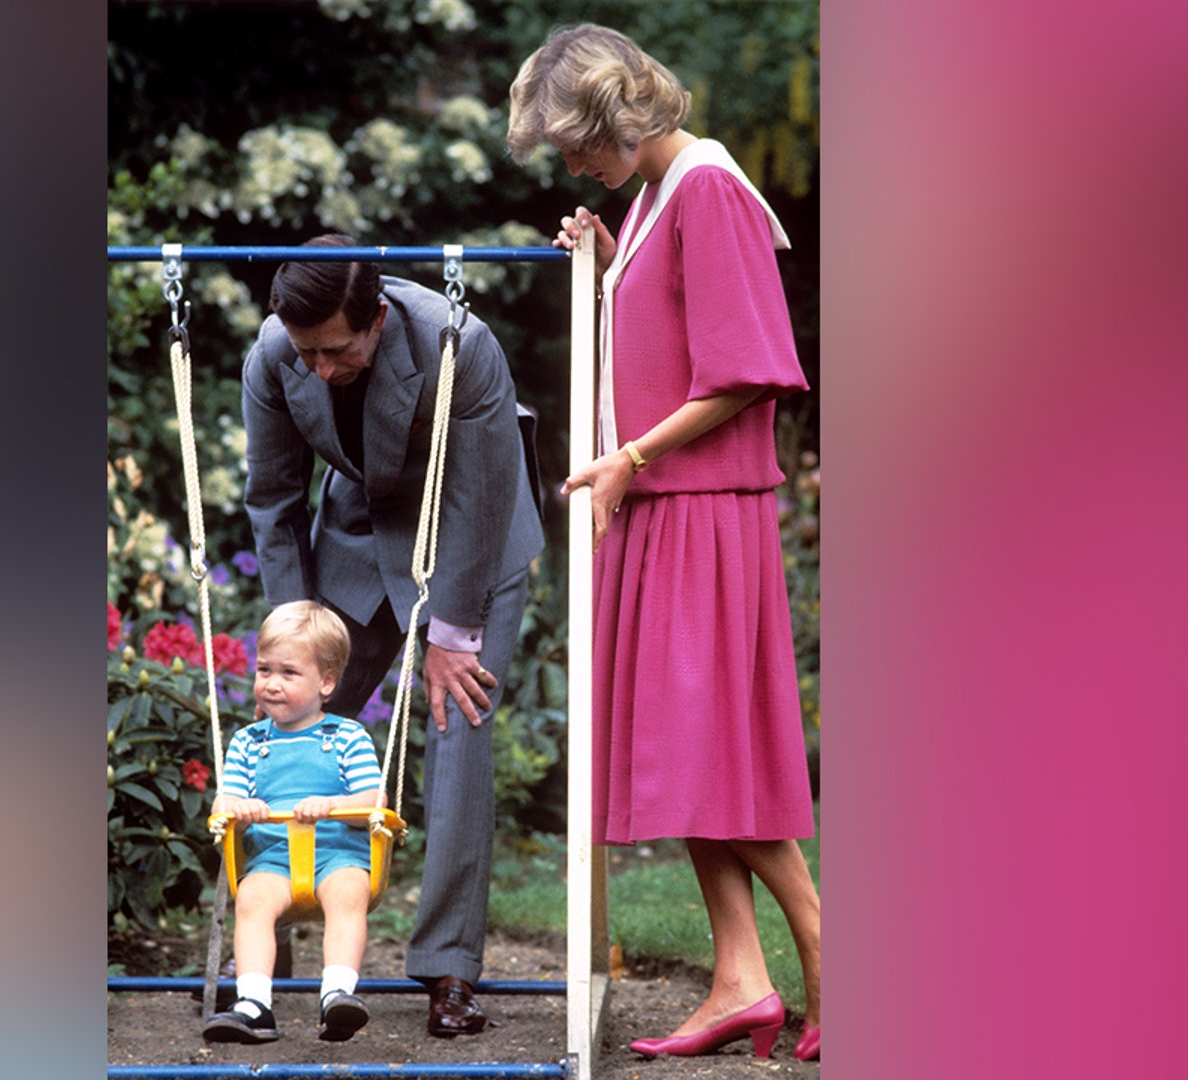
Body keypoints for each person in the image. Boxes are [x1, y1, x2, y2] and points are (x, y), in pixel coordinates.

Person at [507, 23, 823, 1063]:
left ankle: (827, 949)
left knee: (714, 749)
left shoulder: (709, 190)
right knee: (689, 756)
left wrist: (630, 457)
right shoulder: (648, 204)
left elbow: (743, 368)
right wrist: (606, 264)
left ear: (614, 120)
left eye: (571, 143)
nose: (568, 166)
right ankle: (741, 978)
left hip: (701, 506)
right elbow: (671, 329)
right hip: (660, 503)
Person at [240, 234, 546, 1037]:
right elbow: (274, 500)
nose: (319, 368)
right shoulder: (276, 355)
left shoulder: (461, 343)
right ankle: (259, 965)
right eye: (305, 352)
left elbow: (480, 498)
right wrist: (292, 636)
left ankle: (449, 970)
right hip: (360, 530)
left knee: (458, 726)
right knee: (287, 720)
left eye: (335, 351)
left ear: (375, 318)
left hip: (473, 530)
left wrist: (453, 631)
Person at [202, 601, 381, 1044]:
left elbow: (375, 799)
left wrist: (333, 803)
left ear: (326, 682)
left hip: (339, 855)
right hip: (273, 860)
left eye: (288, 673)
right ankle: (254, 1004)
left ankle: (337, 994)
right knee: (251, 902)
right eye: (264, 670)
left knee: (348, 894)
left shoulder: (347, 737)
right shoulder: (247, 742)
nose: (272, 685)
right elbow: (224, 799)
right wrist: (237, 807)